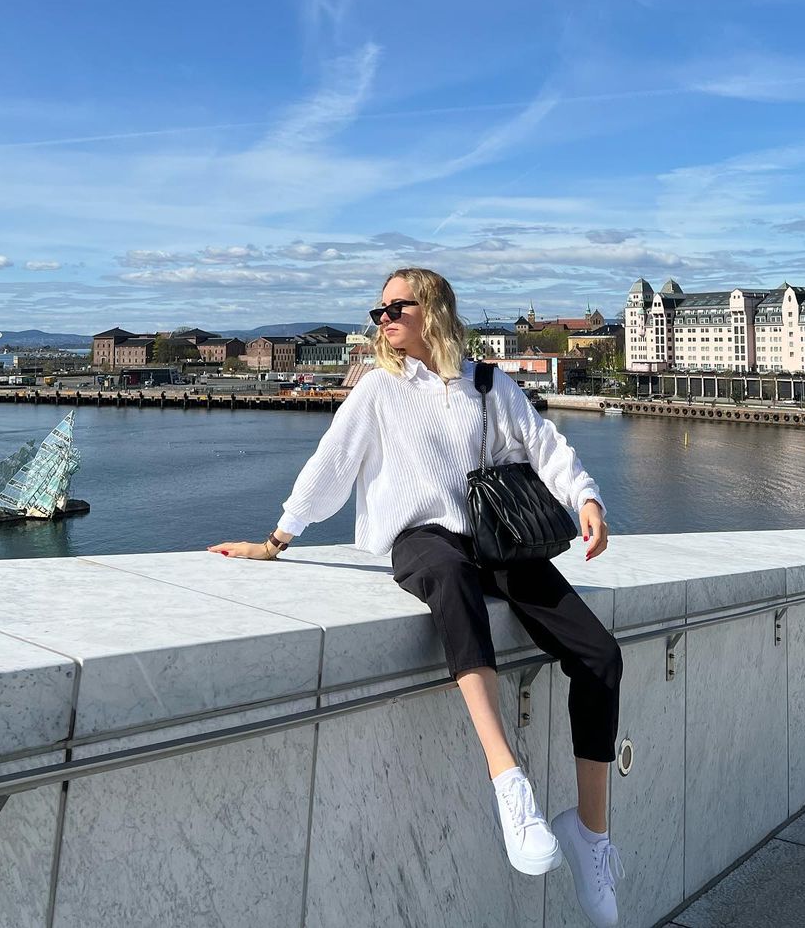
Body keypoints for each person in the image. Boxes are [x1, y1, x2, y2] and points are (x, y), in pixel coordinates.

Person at [209, 267, 625, 926]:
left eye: (392, 309)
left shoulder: (487, 383)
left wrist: (587, 497)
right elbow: (331, 468)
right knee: (452, 586)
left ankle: (591, 835)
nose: (382, 321)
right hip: (421, 541)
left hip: (494, 540)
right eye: (377, 312)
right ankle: (507, 781)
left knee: (599, 655)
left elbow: (547, 449)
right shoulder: (380, 387)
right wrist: (276, 539)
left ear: (430, 308)